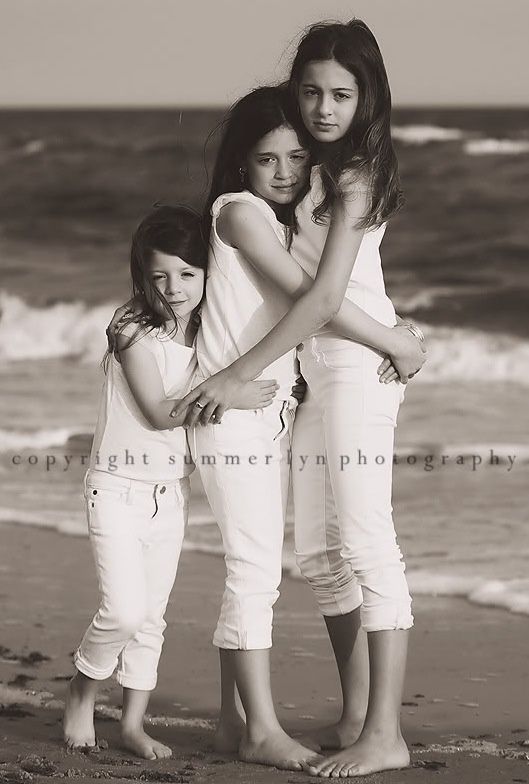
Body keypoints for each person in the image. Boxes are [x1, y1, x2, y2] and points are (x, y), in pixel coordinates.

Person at [173, 20, 427, 778]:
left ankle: (385, 732)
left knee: (366, 537)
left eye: (341, 94)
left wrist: (392, 343)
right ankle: (355, 713)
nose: (323, 107)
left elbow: (319, 299)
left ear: (367, 96)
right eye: (311, 91)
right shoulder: (313, 168)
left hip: (355, 368)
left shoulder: (356, 173)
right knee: (319, 554)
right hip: (320, 371)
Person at [63, 205, 276, 760]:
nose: (173, 289)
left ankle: (132, 724)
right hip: (114, 488)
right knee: (123, 610)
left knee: (152, 617)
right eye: (159, 276)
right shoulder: (131, 328)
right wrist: (231, 393)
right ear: (142, 275)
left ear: (208, 273)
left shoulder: (208, 333)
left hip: (169, 493)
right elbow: (159, 413)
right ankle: (82, 691)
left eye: (186, 274)